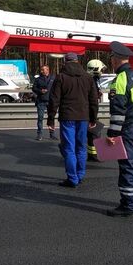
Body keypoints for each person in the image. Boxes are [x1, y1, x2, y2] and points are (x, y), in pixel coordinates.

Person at [105, 41, 133, 217]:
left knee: (127, 167)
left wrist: (112, 134)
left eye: (112, 59)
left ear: (115, 60)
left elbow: (118, 111)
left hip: (128, 129)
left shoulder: (120, 80)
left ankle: (128, 205)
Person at [47, 52, 99, 187]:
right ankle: (80, 175)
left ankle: (72, 178)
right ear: (77, 61)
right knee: (81, 147)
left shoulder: (61, 77)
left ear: (65, 62)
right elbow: (94, 100)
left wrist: (51, 120)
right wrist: (93, 118)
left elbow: (54, 100)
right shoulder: (88, 77)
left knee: (69, 148)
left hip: (67, 117)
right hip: (83, 117)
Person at [86, 59, 106, 161]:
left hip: (87, 112)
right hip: (90, 113)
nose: (102, 72)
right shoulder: (92, 81)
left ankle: (92, 154)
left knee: (90, 134)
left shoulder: (89, 80)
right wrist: (93, 118)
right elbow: (92, 101)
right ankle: (93, 155)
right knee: (94, 134)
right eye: (101, 69)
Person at [31, 65, 57, 141]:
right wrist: (40, 91)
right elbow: (34, 88)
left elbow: (57, 88)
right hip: (41, 101)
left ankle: (52, 134)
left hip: (51, 100)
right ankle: (39, 134)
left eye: (43, 69)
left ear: (48, 70)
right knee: (40, 118)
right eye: (41, 70)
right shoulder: (38, 79)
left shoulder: (53, 78)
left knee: (51, 118)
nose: (42, 71)